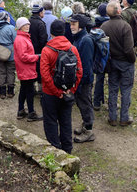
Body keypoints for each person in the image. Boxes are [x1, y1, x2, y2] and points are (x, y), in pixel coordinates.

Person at [40, 20, 82, 154]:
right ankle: (67, 150)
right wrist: (71, 90)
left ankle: (55, 150)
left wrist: (56, 92)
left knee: (51, 121)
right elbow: (80, 71)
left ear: (51, 33)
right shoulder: (72, 48)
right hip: (67, 92)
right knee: (66, 121)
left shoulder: (47, 50)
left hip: (50, 94)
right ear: (64, 32)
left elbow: (45, 75)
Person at [100, 0, 136, 127]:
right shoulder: (125, 26)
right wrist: (133, 59)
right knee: (126, 89)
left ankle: (112, 117)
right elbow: (128, 49)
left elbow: (103, 47)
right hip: (125, 62)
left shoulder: (104, 26)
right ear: (119, 11)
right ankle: (124, 118)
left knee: (113, 89)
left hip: (111, 62)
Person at [69, 14, 96, 143]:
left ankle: (89, 131)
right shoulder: (78, 38)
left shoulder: (86, 40)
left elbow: (86, 64)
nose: (71, 26)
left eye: (74, 24)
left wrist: (80, 82)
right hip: (79, 79)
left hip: (84, 80)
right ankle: (85, 126)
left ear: (81, 25)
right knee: (81, 103)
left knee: (85, 104)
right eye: (70, 23)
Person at [13, 17, 43, 121]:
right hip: (26, 69)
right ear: (19, 27)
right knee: (29, 91)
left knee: (23, 90)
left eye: (28, 24)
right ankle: (31, 113)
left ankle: (20, 111)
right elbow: (23, 57)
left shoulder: (24, 37)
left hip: (25, 69)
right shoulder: (21, 39)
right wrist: (37, 57)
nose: (27, 26)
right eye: (24, 25)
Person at [0, 11, 17, 99]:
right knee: (10, 72)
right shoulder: (11, 28)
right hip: (10, 54)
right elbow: (16, 41)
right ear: (6, 18)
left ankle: (2, 93)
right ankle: (10, 92)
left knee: (0, 72)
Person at [93, 3, 110, 110]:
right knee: (112, 80)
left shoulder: (95, 22)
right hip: (108, 52)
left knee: (99, 78)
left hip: (98, 53)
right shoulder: (109, 22)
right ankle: (108, 103)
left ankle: (96, 102)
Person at [29, 4, 48, 95]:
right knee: (40, 70)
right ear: (40, 13)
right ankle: (40, 89)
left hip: (29, 50)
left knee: (31, 69)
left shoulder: (28, 22)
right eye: (43, 11)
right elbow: (43, 39)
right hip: (39, 51)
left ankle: (32, 89)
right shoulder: (40, 23)